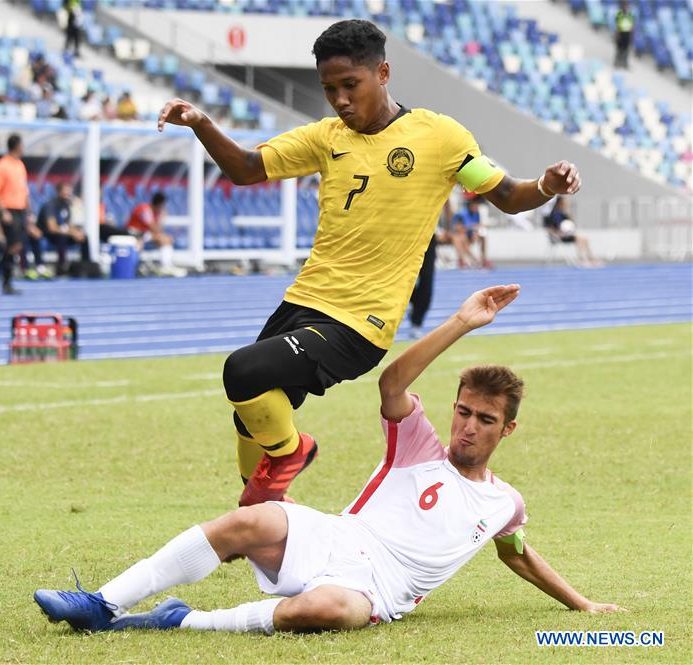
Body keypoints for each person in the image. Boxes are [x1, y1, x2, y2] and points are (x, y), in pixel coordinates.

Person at [157, 19, 583, 507]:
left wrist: (547, 186)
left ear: (382, 73)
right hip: (303, 301)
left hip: (360, 322)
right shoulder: (326, 137)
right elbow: (245, 168)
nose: (339, 99)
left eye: (349, 86)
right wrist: (203, 124)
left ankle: (293, 454)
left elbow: (507, 195)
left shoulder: (439, 136)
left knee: (242, 372)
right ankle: (267, 509)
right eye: (329, 89)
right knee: (250, 413)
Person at [33, 284, 625, 635]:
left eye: (485, 419)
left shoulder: (504, 503)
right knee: (252, 519)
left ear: (508, 429)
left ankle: (180, 620)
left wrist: (583, 603)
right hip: (339, 537)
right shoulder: (417, 444)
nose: (468, 427)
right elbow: (393, 382)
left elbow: (519, 556)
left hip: (376, 592)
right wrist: (460, 323)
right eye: (464, 412)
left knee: (327, 609)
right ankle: (101, 602)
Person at [0, 134, 32, 294]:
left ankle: (6, 276)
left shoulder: (20, 165)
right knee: (13, 245)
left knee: (17, 245)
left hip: (20, 209)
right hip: (9, 209)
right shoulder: (2, 165)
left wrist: (28, 211)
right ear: (17, 146)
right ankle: (5, 278)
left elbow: (24, 190)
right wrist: (2, 211)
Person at [36, 182, 91, 275]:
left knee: (84, 237)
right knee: (62, 238)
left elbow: (68, 224)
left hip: (62, 232)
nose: (68, 193)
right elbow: (52, 228)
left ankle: (86, 267)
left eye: (69, 191)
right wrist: (70, 233)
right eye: (66, 191)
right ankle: (61, 268)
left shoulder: (66, 205)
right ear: (58, 192)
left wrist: (76, 232)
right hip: (48, 234)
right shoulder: (50, 205)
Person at [126, 192, 186, 277]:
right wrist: (161, 218)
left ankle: (167, 265)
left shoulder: (155, 213)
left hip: (144, 235)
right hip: (133, 234)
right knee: (164, 239)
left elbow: (156, 230)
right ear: (160, 205)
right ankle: (164, 267)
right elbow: (154, 229)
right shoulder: (144, 210)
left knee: (166, 239)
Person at [542, 196, 602, 267]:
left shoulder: (562, 213)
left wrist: (568, 210)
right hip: (559, 237)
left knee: (585, 239)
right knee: (579, 239)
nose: (566, 203)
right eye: (564, 202)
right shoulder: (555, 214)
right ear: (560, 203)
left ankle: (591, 259)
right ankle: (581, 260)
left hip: (565, 235)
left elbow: (571, 222)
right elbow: (550, 228)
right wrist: (559, 233)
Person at [405, 234, 436, 339]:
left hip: (428, 234)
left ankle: (416, 322)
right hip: (405, 235)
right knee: (404, 280)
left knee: (427, 282)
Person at [452, 196, 492, 269]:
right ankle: (470, 260)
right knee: (461, 238)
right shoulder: (462, 214)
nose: (477, 207)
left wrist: (475, 232)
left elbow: (478, 226)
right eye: (476, 205)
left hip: (470, 235)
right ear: (471, 205)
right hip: (462, 235)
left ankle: (483, 259)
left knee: (483, 237)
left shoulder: (476, 214)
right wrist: (471, 227)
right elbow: (458, 229)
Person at [614, 0, 634, 70]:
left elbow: (632, 25)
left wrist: (631, 35)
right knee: (619, 49)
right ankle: (617, 63)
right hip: (621, 33)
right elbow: (617, 25)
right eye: (624, 5)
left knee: (626, 50)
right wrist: (617, 35)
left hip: (627, 34)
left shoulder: (630, 14)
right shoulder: (619, 14)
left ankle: (625, 63)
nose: (626, 7)